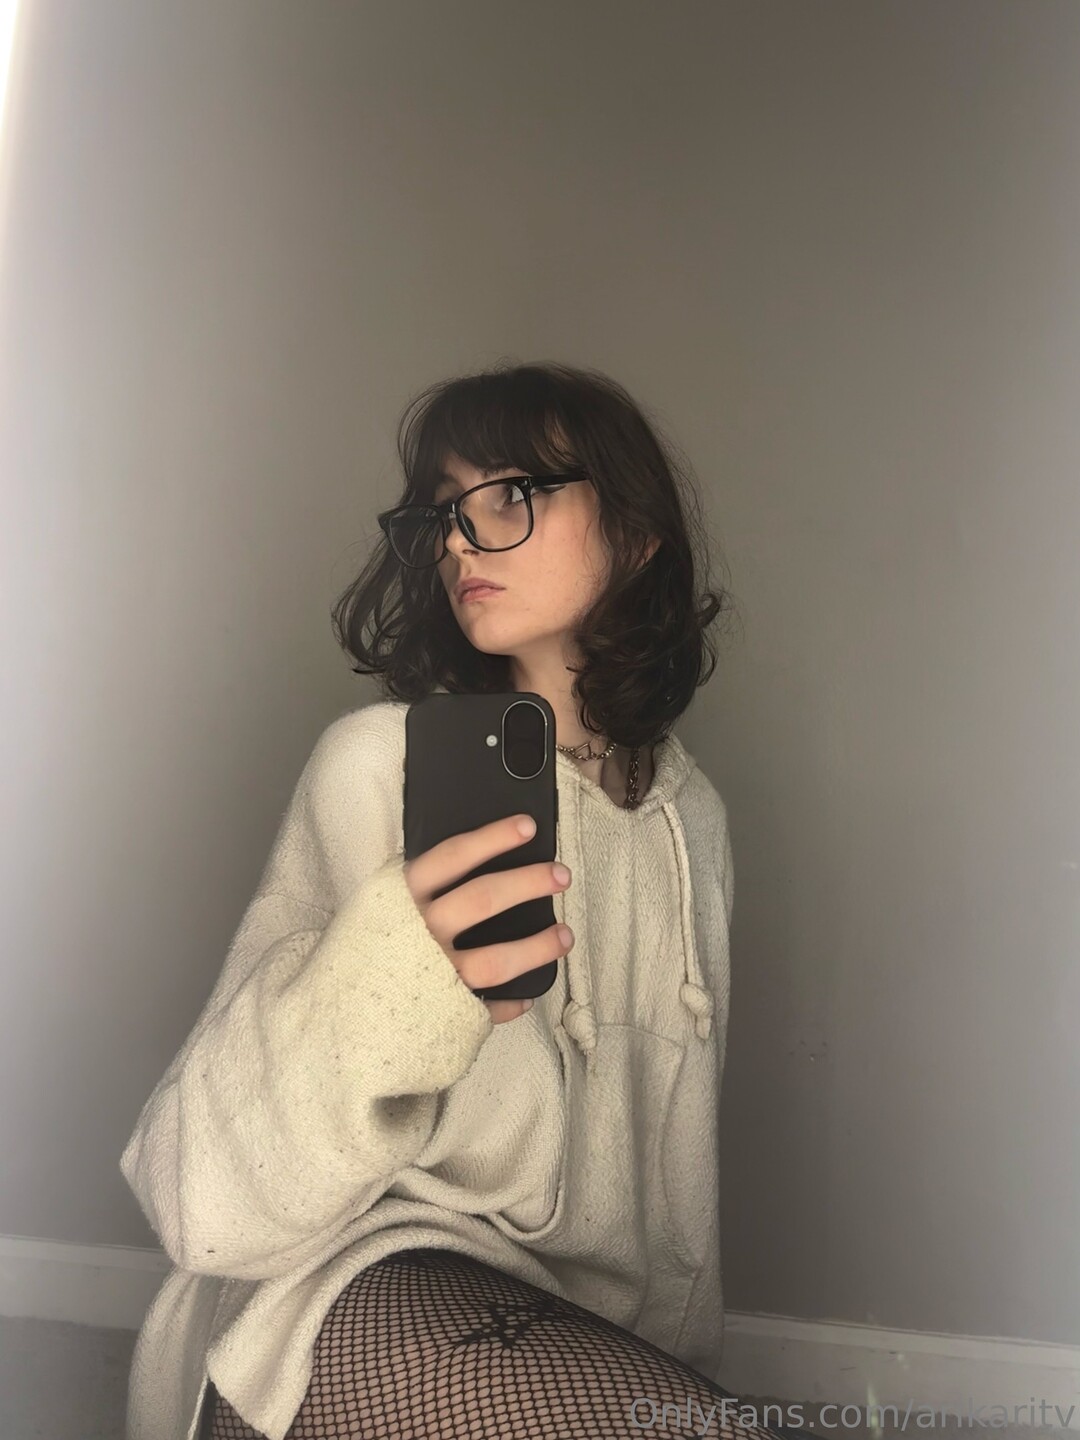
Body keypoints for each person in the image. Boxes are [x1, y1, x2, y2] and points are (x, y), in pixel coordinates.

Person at [121, 361, 806, 1440]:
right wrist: (395, 967)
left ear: (637, 535)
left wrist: (655, 1372)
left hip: (565, 1324)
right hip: (343, 1290)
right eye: (445, 510)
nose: (460, 541)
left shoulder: (694, 820)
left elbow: (673, 1187)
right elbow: (196, 1198)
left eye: (511, 493)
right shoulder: (376, 766)